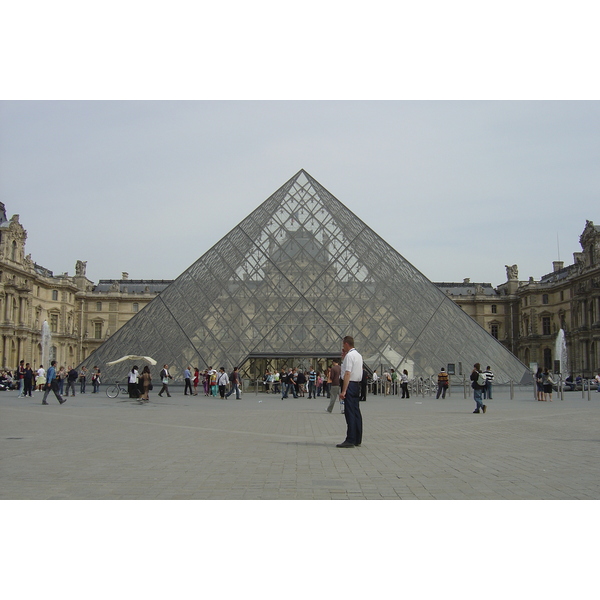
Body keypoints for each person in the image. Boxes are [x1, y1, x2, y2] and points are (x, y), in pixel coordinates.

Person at [337, 336, 363, 448]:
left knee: (350, 413)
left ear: (346, 344)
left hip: (350, 385)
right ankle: (357, 438)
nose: (343, 347)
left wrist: (343, 391)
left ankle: (350, 439)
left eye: (343, 345)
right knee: (356, 412)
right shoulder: (358, 355)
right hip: (356, 385)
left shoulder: (350, 356)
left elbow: (347, 373)